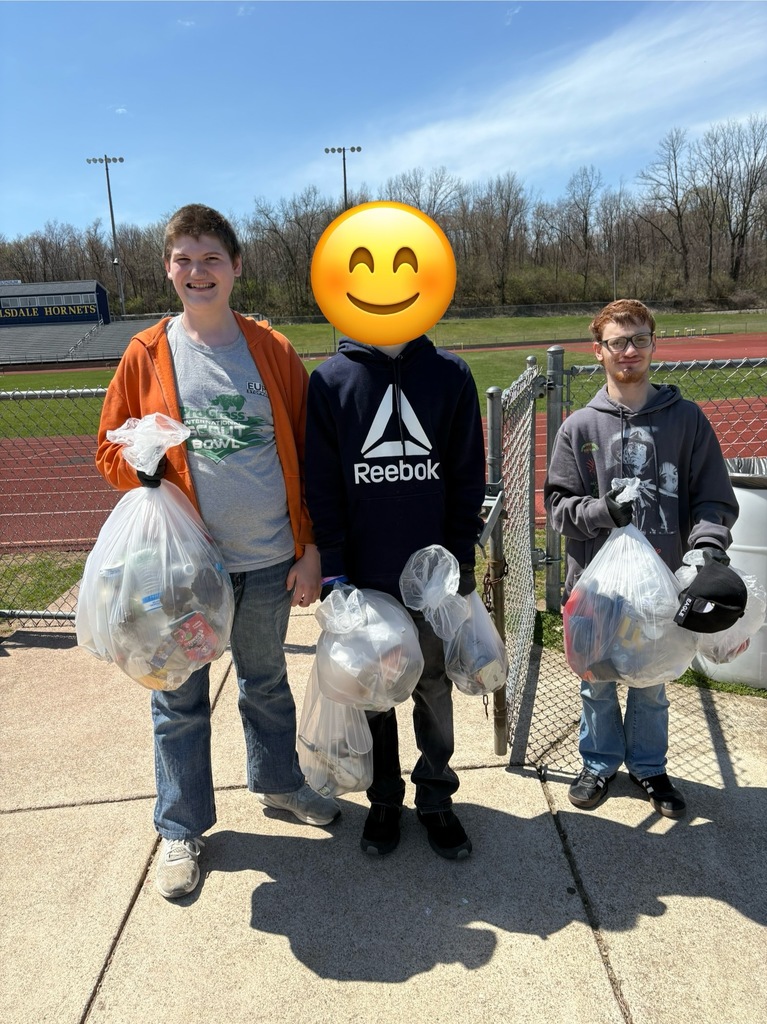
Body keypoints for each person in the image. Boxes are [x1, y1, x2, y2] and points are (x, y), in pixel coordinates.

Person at [96, 204, 339, 899]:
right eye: (183, 259)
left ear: (235, 267)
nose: (196, 272)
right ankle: (181, 824)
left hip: (267, 560)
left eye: (210, 259)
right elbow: (108, 449)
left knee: (266, 685)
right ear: (168, 270)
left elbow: (309, 454)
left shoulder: (271, 349)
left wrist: (310, 546)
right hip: (180, 573)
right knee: (178, 699)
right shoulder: (147, 353)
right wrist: (140, 462)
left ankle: (280, 785)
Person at [544, 298, 739, 818]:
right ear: (599, 351)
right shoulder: (580, 427)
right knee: (598, 681)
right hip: (596, 585)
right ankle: (600, 762)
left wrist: (707, 549)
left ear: (654, 345)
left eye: (638, 340)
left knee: (652, 684)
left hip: (665, 583)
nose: (628, 351)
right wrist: (602, 512)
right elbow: (558, 508)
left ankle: (649, 767)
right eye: (617, 342)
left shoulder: (686, 421)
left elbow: (713, 498)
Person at [304, 333, 486, 860]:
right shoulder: (331, 381)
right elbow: (323, 484)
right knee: (373, 692)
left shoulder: (449, 375)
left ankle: (435, 795)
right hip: (364, 576)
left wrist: (459, 559)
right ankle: (384, 798)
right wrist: (336, 573)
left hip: (430, 577)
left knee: (432, 687)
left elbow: (466, 474)